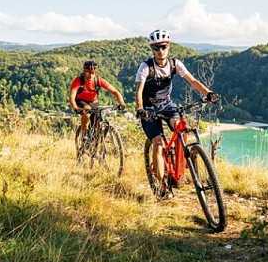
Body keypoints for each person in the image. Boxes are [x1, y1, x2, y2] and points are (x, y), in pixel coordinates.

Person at [135, 29, 219, 198]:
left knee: (181, 127)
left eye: (163, 47)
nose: (160, 51)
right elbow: (139, 91)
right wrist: (140, 109)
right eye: (156, 48)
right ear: (152, 49)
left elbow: (192, 81)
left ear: (169, 46)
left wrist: (208, 93)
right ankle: (162, 186)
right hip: (149, 109)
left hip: (167, 105)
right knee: (158, 143)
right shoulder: (146, 67)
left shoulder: (174, 64)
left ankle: (179, 169)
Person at [69, 60, 126, 140]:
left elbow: (114, 91)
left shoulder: (98, 80)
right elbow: (72, 96)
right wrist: (76, 108)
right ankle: (84, 133)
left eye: (93, 73)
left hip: (93, 101)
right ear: (84, 71)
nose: (91, 75)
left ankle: (95, 142)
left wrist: (122, 103)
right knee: (87, 111)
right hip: (80, 100)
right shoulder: (78, 80)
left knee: (97, 121)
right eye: (88, 73)